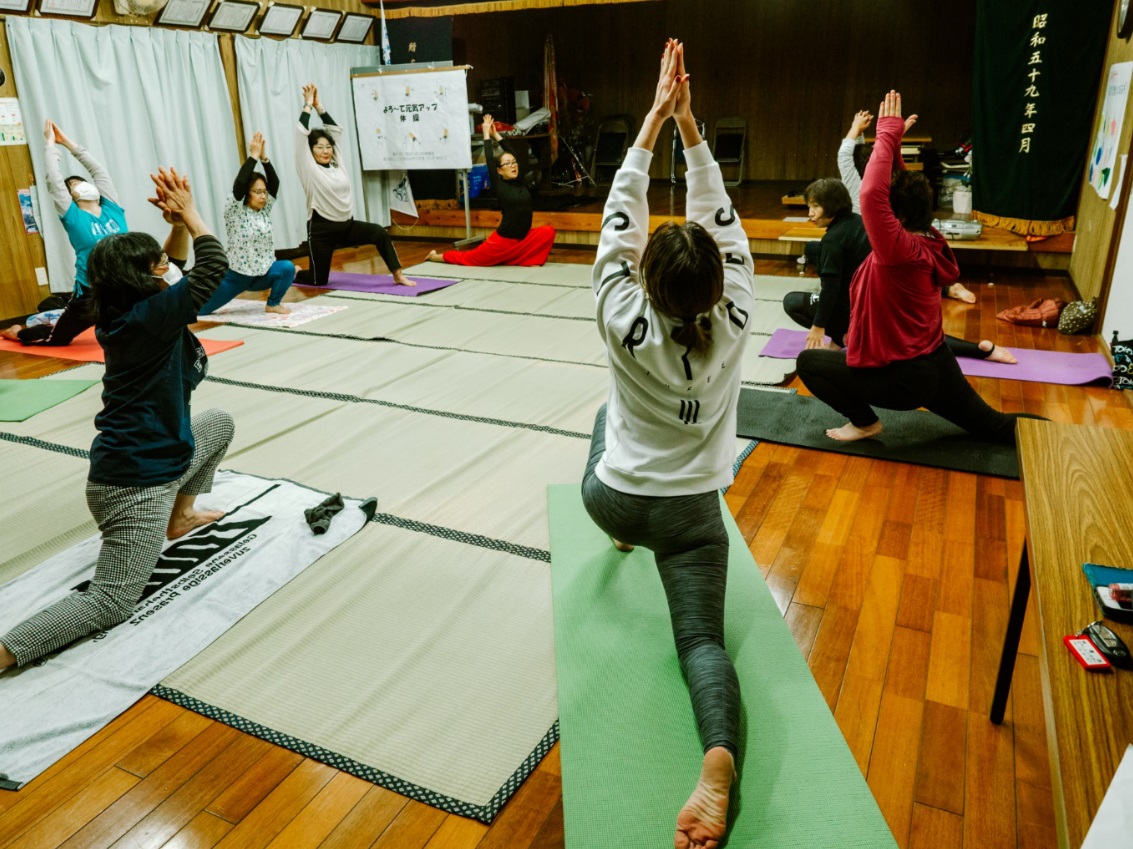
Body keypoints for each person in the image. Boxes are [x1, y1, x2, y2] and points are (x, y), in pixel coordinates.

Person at [582, 40, 748, 849]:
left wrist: (653, 121)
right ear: (718, 284)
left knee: (598, 421)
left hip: (617, 494)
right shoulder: (739, 313)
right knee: (702, 644)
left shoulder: (620, 311)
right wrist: (693, 130)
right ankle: (717, 758)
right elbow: (720, 217)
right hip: (691, 516)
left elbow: (618, 220)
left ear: (642, 276)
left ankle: (615, 530)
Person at [0, 167, 234, 673]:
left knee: (218, 423)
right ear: (142, 279)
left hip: (165, 453)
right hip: (135, 482)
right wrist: (192, 215)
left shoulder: (129, 305)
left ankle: (182, 516)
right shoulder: (148, 317)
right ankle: (3, 651)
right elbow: (211, 267)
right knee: (111, 602)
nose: (164, 270)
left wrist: (173, 225)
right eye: (155, 267)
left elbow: (172, 262)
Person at [796, 91, 1031, 444]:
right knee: (997, 428)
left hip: (904, 380)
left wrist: (888, 133)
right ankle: (1064, 438)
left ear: (897, 217)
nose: (882, 217)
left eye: (889, 214)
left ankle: (865, 423)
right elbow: (905, 191)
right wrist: (891, 148)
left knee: (809, 364)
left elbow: (872, 196)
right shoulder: (930, 236)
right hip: (936, 362)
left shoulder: (900, 251)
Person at [782, 176, 1017, 363]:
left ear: (831, 205)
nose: (810, 213)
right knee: (918, 337)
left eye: (815, 206)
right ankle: (980, 349)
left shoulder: (833, 239)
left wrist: (818, 327)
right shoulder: (858, 221)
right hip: (876, 301)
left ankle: (845, 337)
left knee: (792, 301)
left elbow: (830, 289)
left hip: (856, 307)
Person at [6, 121, 129, 346]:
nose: (81, 184)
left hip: (123, 287)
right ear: (70, 197)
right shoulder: (73, 216)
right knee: (56, 340)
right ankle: (16, 331)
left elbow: (98, 170)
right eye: (73, 185)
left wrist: (68, 143)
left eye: (82, 181)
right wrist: (50, 144)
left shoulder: (112, 207)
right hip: (90, 295)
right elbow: (54, 180)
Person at [836, 109, 977, 304]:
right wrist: (879, 136)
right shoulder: (886, 179)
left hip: (875, 239)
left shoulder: (864, 188)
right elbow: (867, 157)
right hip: (900, 240)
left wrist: (855, 128)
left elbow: (845, 156)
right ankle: (950, 288)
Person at [293, 83, 414, 288]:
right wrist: (307, 105)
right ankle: (295, 272)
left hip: (347, 226)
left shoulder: (337, 161)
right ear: (311, 150)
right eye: (319, 147)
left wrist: (319, 106)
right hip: (322, 230)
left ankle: (397, 274)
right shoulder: (308, 168)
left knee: (378, 232)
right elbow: (300, 132)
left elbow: (335, 130)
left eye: (328, 147)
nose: (325, 151)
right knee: (318, 280)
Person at [425, 115, 555, 266]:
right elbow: (489, 158)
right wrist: (486, 134)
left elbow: (514, 153)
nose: (513, 165)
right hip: (503, 242)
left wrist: (496, 135)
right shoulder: (499, 185)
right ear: (499, 171)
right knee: (470, 258)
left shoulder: (520, 181)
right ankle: (436, 257)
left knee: (548, 231)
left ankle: (516, 259)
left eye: (514, 163)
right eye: (508, 164)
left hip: (522, 239)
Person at [198, 132, 295, 316]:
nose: (263, 196)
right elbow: (240, 182)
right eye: (258, 192)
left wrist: (264, 158)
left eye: (264, 192)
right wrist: (253, 156)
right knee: (200, 311)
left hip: (263, 274)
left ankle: (273, 304)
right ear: (247, 193)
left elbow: (275, 182)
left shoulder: (264, 210)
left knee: (287, 268)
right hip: (236, 276)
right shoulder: (235, 210)